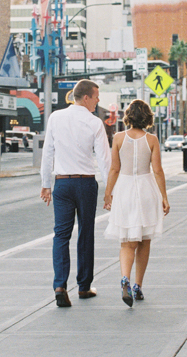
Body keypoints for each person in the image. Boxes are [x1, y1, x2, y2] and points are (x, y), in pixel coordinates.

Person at [40, 79, 111, 308]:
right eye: (96, 97)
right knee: (85, 234)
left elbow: (47, 152)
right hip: (85, 184)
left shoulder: (55, 117)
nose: (98, 101)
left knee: (61, 235)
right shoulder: (94, 123)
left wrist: (45, 183)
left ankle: (60, 285)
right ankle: (83, 286)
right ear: (87, 97)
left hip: (62, 184)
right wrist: (110, 190)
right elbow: (104, 159)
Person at [103, 100, 170, 307]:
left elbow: (114, 169)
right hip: (146, 189)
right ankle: (138, 286)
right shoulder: (152, 140)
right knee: (144, 240)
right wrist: (164, 197)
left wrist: (108, 193)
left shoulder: (118, 138)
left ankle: (125, 278)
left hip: (124, 190)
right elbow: (157, 170)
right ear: (147, 117)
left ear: (128, 116)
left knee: (126, 242)